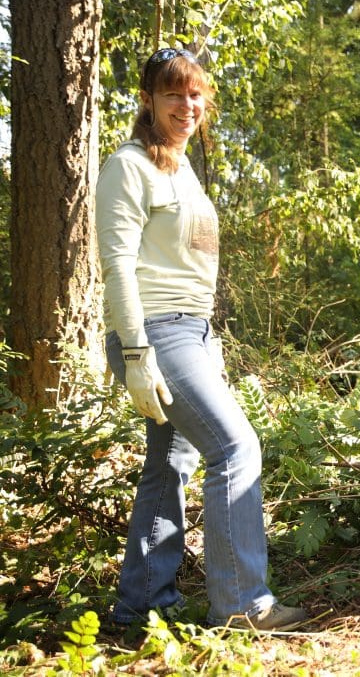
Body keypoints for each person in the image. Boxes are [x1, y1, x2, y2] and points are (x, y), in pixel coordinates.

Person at [96, 47, 307, 631]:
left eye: (195, 95)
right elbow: (115, 264)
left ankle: (138, 608)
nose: (187, 106)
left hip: (195, 332)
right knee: (235, 448)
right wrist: (136, 353)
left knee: (169, 465)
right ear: (148, 100)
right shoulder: (128, 166)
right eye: (173, 94)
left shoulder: (181, 168)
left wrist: (206, 344)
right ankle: (242, 604)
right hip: (158, 334)